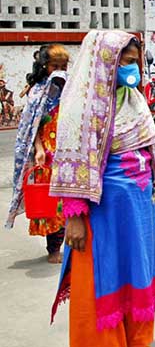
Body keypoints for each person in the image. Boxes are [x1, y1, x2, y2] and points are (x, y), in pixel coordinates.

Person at [50, 30, 155, 345]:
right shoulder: (82, 106)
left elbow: (149, 151)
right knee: (103, 282)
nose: (134, 70)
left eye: (136, 62)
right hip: (103, 213)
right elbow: (70, 163)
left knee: (137, 276)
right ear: (106, 62)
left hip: (138, 209)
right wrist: (74, 216)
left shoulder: (135, 99)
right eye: (126, 63)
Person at [6, 44, 70, 264]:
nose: (60, 70)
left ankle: (70, 246)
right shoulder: (37, 91)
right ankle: (54, 250)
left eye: (64, 66)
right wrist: (40, 149)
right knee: (54, 205)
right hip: (48, 155)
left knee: (72, 200)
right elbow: (31, 126)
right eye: (55, 66)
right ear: (45, 67)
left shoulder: (69, 88)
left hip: (68, 154)